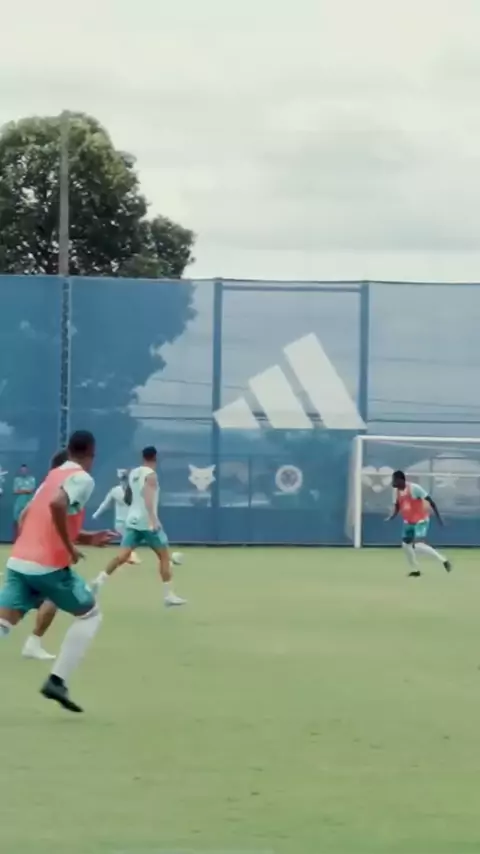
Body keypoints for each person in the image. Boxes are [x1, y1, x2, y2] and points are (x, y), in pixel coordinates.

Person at [0, 430, 115, 713]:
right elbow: (57, 505)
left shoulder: (51, 477)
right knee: (90, 615)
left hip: (19, 562)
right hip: (48, 567)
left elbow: (27, 516)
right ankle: (57, 681)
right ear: (91, 453)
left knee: (3, 623)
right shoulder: (82, 478)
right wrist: (68, 546)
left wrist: (86, 537)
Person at [93, 446, 186, 606]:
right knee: (164, 557)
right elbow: (148, 497)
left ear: (142, 457)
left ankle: (98, 581)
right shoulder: (151, 475)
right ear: (155, 457)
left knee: (122, 556)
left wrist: (136, 506)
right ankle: (169, 596)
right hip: (147, 523)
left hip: (132, 520)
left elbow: (128, 498)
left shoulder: (133, 473)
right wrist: (153, 520)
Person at [20, 449, 69, 661]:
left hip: (32, 552)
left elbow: (24, 516)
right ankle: (33, 643)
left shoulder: (46, 486)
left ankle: (33, 642)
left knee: (25, 598)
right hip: (45, 554)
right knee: (55, 596)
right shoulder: (59, 488)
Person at [387, 470, 451, 577]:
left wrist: (439, 518)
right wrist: (392, 516)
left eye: (395, 480)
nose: (393, 482)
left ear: (401, 480)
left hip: (420, 520)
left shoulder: (414, 488)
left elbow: (431, 501)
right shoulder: (396, 492)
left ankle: (443, 560)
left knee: (417, 545)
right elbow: (397, 506)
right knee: (406, 545)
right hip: (408, 521)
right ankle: (415, 570)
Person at [92, 471, 141, 565]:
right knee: (128, 540)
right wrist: (96, 514)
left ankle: (126, 557)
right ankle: (129, 557)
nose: (125, 482)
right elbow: (105, 504)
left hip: (132, 521)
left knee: (130, 540)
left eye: (126, 479)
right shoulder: (115, 491)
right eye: (123, 479)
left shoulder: (135, 491)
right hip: (120, 522)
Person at [13, 464, 36, 540]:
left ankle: (28, 539)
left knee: (29, 520)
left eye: (25, 470)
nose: (24, 471)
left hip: (29, 502)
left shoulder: (32, 479)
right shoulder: (17, 480)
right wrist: (26, 490)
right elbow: (15, 491)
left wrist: (22, 490)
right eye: (22, 470)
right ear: (20, 471)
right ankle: (17, 539)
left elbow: (31, 490)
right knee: (17, 520)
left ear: (27, 470)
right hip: (19, 503)